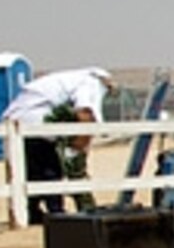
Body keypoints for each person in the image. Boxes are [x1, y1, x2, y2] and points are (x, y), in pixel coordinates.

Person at [7, 65, 111, 222]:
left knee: (33, 172)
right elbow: (85, 113)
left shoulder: (71, 79)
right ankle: (56, 212)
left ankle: (32, 211)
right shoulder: (90, 83)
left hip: (20, 117)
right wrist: (78, 147)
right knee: (50, 169)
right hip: (36, 121)